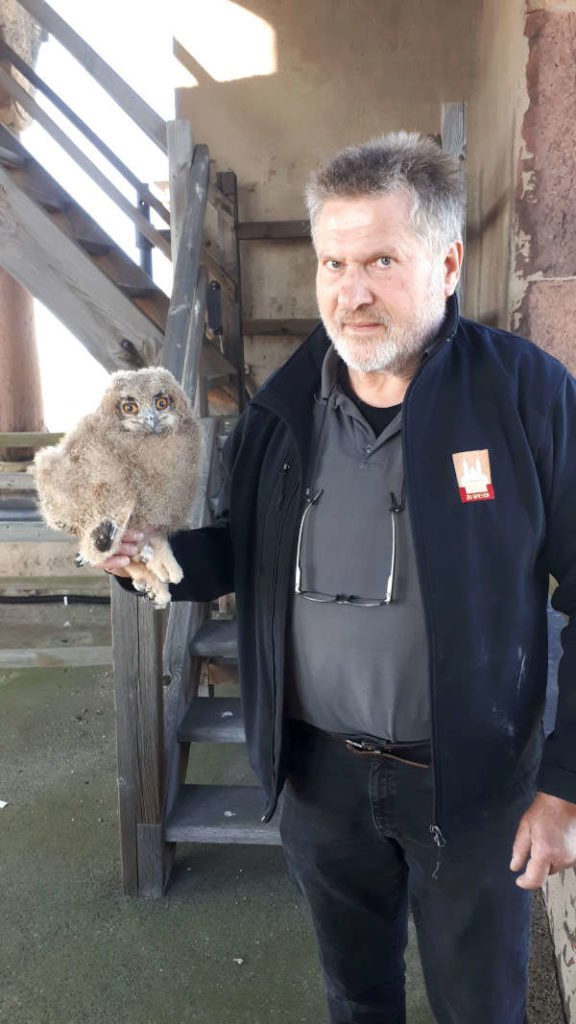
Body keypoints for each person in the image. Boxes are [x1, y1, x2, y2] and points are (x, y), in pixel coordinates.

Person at [103, 132, 576, 1024]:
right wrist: (148, 560)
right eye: (333, 262)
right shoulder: (281, 412)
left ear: (447, 264)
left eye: (382, 261)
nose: (351, 293)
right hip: (321, 778)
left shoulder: (528, 397)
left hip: (471, 786)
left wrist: (564, 787)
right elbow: (239, 553)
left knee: (480, 1007)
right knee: (357, 999)